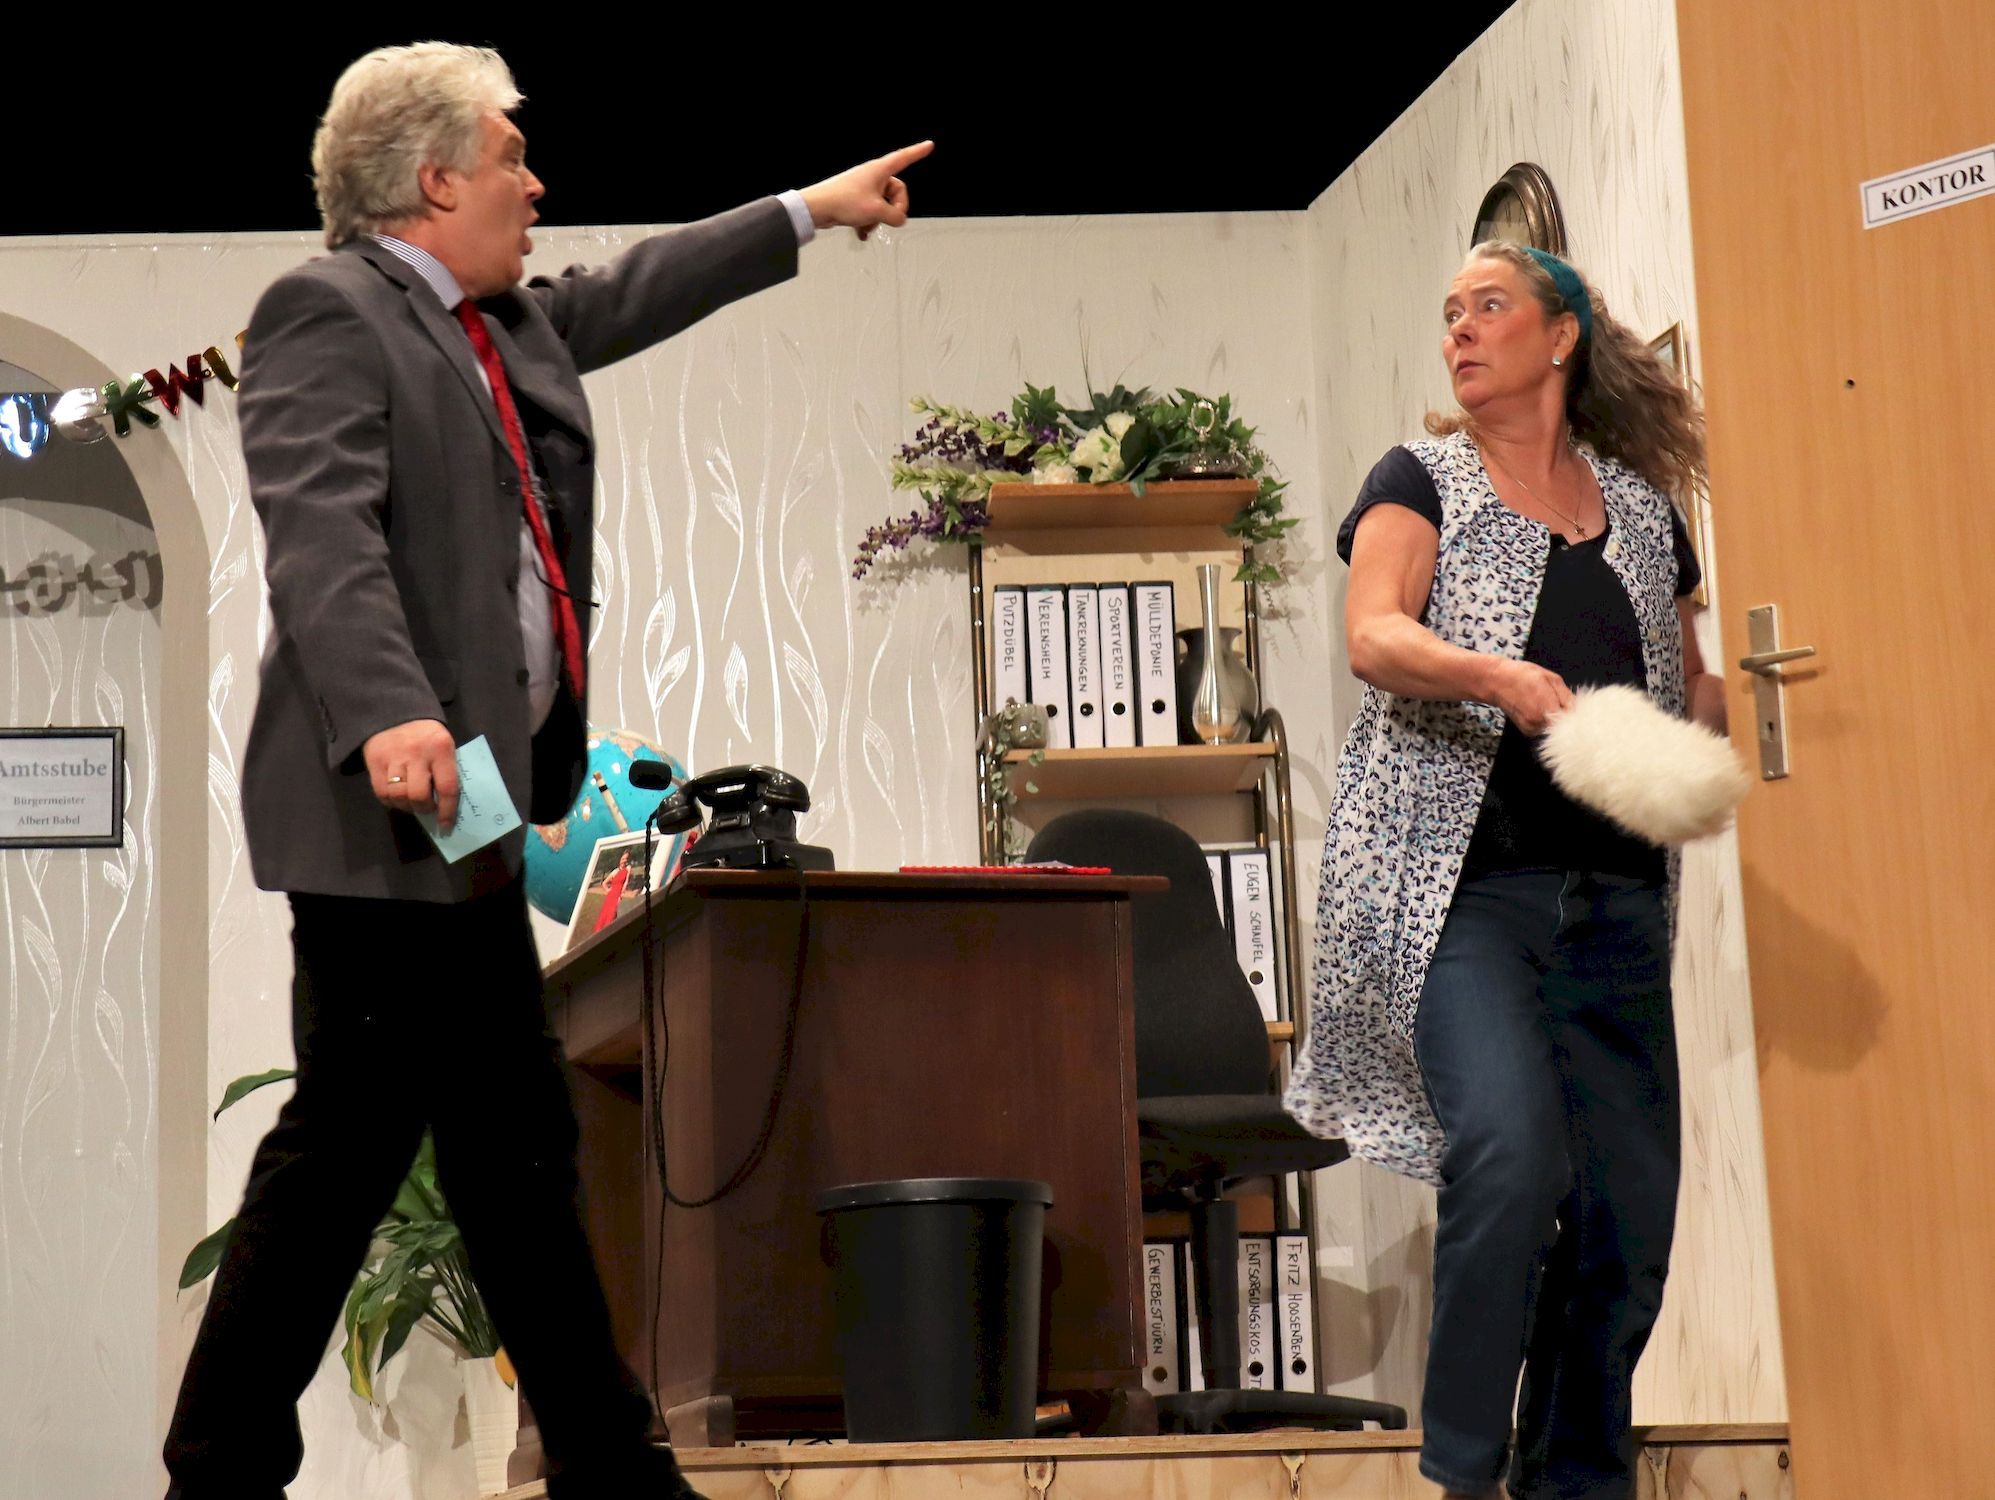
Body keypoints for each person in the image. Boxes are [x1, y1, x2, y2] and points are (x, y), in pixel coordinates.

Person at [163, 42, 929, 1500]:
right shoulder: (327, 311)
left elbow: (632, 290)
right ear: (434, 179)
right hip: (386, 806)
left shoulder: (499, 325)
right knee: (359, 1146)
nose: (536, 183)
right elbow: (321, 526)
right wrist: (387, 712)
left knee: (507, 1142)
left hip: (470, 808)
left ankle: (598, 1459)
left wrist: (807, 210)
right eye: (510, 156)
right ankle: (223, 1469)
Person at [1284, 241, 1726, 1500]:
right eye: (1450, 315)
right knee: (1515, 1157)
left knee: (1627, 1217)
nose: (1461, 332)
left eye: (1489, 307)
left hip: (1618, 903)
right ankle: (1465, 1473)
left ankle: (1573, 1481)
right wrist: (1495, 676)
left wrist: (1729, 733)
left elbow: (1688, 679)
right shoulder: (1418, 480)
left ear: (1561, 334)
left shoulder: (1643, 510)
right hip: (1462, 900)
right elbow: (1375, 634)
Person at [591, 850, 635, 934]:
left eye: (626, 859)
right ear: (620, 859)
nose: (624, 860)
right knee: (604, 914)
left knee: (612, 916)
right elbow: (604, 883)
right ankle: (598, 933)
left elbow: (626, 882)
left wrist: (620, 896)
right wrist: (608, 890)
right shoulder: (615, 871)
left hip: (617, 896)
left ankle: (606, 934)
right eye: (623, 859)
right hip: (610, 896)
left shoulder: (627, 869)